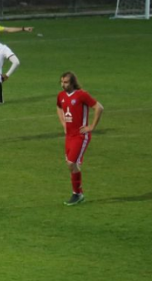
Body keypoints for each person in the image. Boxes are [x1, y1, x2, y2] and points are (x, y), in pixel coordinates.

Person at [56, 71, 104, 206]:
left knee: (71, 163)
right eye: (61, 82)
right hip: (69, 136)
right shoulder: (61, 96)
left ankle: (77, 194)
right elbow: (59, 107)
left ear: (72, 83)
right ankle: (78, 193)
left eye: (65, 82)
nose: (63, 85)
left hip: (80, 136)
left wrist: (91, 126)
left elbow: (99, 107)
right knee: (71, 165)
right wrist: (63, 123)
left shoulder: (81, 95)